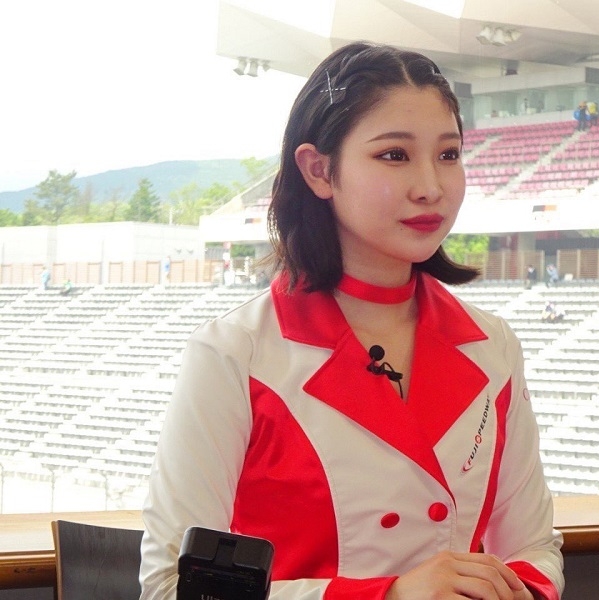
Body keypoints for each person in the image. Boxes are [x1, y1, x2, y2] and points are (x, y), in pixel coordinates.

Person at [138, 42, 564, 600]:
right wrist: (389, 595)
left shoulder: (493, 345)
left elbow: (533, 547)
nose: (431, 187)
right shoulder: (235, 352)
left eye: (449, 154)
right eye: (394, 155)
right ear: (319, 170)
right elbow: (171, 588)